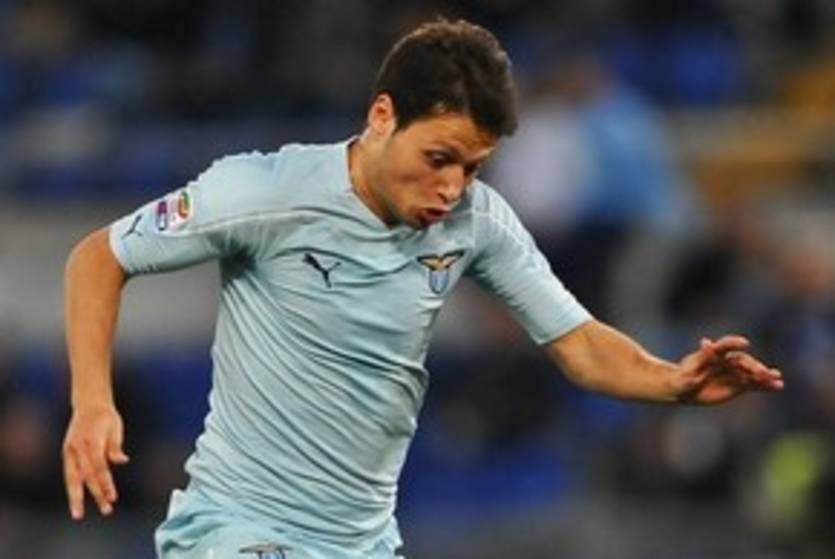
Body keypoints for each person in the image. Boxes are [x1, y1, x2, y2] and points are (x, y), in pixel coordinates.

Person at [62, 18, 783, 559]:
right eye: (439, 158)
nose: (452, 187)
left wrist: (671, 381)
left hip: (364, 542)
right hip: (238, 528)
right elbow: (98, 257)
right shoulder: (267, 192)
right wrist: (94, 402)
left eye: (472, 168)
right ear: (382, 117)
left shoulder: (475, 223)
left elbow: (580, 344)